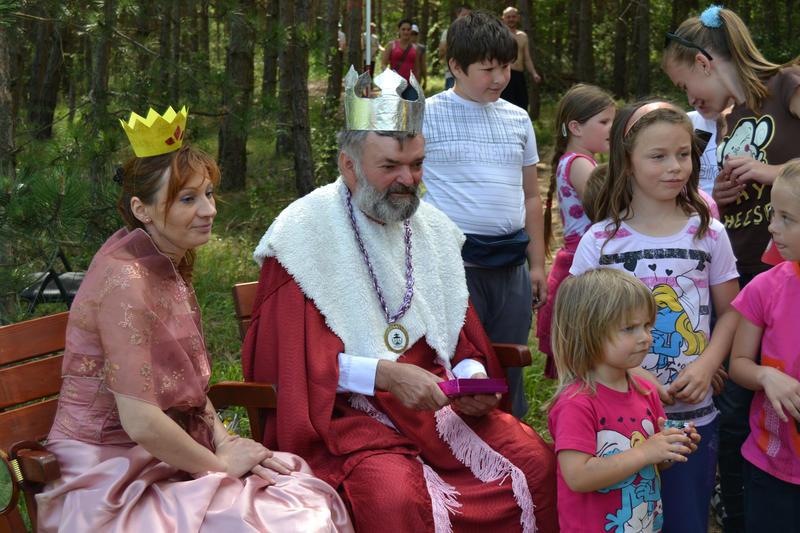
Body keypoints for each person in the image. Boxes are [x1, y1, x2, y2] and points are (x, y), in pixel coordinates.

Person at [242, 67, 558, 532]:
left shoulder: (433, 228)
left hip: (438, 407)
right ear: (348, 165)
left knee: (535, 462)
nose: (407, 179)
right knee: (394, 499)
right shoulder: (301, 235)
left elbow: (459, 337)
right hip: (350, 417)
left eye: (417, 164)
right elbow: (291, 364)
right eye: (389, 166)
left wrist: (473, 381)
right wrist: (385, 374)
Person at [35, 107, 352, 532]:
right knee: (284, 520)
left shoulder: (162, 260)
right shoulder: (125, 280)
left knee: (301, 492)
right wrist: (220, 464)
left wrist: (225, 440)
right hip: (108, 475)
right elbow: (140, 421)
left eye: (209, 194)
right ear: (142, 209)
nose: (209, 210)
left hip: (166, 453)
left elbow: (188, 390)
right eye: (188, 199)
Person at [570, 100, 741, 532]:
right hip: (617, 423)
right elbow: (575, 326)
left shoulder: (709, 234)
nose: (675, 167)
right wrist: (639, 379)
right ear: (627, 161)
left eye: (683, 154)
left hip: (692, 420)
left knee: (685, 519)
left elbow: (731, 312)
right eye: (658, 156)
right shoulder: (601, 241)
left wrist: (707, 364)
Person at [662, 6, 800, 529]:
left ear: (704, 61)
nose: (689, 99)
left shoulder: (786, 87)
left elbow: (779, 176)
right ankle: (747, 513)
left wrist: (769, 171)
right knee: (740, 411)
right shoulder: (730, 117)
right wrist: (722, 194)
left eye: (686, 85)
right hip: (746, 280)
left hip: (787, 277)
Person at [422, 12, 547, 419]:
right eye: (488, 69)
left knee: (509, 362)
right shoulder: (426, 114)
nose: (500, 78)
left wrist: (537, 265)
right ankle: (456, 445)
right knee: (457, 363)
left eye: (506, 67)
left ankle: (513, 438)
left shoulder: (517, 119)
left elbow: (531, 196)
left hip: (511, 267)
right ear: (456, 67)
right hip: (453, 267)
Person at [548, 268, 701, 533]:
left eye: (647, 326)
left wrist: (671, 447)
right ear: (588, 332)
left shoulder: (645, 391)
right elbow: (578, 476)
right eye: (629, 328)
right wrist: (645, 451)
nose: (645, 337)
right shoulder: (576, 403)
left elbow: (653, 463)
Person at [729, 159, 800, 532]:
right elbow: (739, 363)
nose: (773, 226)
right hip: (771, 467)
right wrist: (765, 376)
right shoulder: (764, 288)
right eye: (774, 213)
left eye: (787, 218)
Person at [536, 83, 614, 379]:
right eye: (604, 122)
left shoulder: (574, 160)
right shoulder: (581, 164)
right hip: (583, 261)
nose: (611, 128)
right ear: (576, 127)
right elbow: (606, 207)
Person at [500, 6, 541, 112]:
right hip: (504, 74)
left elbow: (527, 58)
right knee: (505, 105)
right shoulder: (499, 35)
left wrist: (534, 73)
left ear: (518, 18)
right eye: (508, 17)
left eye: (513, 17)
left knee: (522, 104)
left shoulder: (523, 36)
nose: (511, 19)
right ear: (503, 18)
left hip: (519, 75)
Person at [438, 4, 471, 90]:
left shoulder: (475, 33)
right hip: (452, 73)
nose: (466, 18)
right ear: (457, 15)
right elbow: (442, 51)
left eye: (469, 16)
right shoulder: (448, 32)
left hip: (471, 74)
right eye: (464, 15)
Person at [410, 23, 428, 89]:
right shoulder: (400, 47)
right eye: (411, 33)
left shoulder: (421, 48)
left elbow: (423, 65)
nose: (413, 36)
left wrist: (425, 80)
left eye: (415, 34)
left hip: (416, 78)